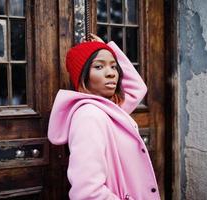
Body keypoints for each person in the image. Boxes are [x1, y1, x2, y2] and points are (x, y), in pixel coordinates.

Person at [48, 33, 160, 200]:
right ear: (82, 76)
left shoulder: (110, 108)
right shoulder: (89, 116)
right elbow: (87, 193)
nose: (111, 74)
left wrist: (108, 48)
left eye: (114, 67)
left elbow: (137, 87)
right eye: (99, 67)